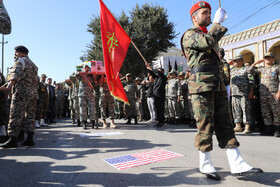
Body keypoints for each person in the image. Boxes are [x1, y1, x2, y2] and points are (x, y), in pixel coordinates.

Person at [181, 1, 263, 180]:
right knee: (205, 125)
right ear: (194, 17)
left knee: (225, 124)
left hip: (216, 86)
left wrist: (225, 85)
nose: (209, 15)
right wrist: (217, 23)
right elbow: (206, 42)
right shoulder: (190, 35)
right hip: (201, 87)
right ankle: (205, 164)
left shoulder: (210, 36)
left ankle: (237, 163)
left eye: (210, 13)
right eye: (204, 13)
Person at [0, 45, 38, 148]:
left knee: (15, 114)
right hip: (33, 94)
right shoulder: (34, 65)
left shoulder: (20, 60)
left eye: (16, 52)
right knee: (30, 116)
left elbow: (15, 75)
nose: (15, 54)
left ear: (23, 53)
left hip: (21, 93)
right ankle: (30, 139)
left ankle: (13, 140)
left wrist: (8, 87)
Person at [247, 52, 280, 137]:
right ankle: (268, 129)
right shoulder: (261, 69)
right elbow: (249, 71)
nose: (267, 59)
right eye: (266, 58)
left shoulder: (277, 68)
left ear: (273, 59)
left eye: (269, 58)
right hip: (263, 94)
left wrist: (279, 92)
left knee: (276, 112)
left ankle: (277, 129)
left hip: (274, 93)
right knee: (266, 112)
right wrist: (256, 63)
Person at [228, 55, 255, 133]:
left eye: (235, 61)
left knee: (246, 109)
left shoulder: (247, 69)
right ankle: (238, 126)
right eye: (233, 61)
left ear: (240, 61)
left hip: (244, 93)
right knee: (235, 109)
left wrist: (251, 91)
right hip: (234, 93)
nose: (234, 62)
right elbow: (229, 81)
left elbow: (251, 81)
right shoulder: (232, 70)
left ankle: (247, 126)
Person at [145, 63, 167, 128]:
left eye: (159, 71)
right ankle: (158, 121)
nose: (157, 72)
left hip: (160, 96)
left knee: (160, 109)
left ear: (162, 72)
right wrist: (148, 68)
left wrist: (151, 67)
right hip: (156, 96)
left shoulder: (163, 77)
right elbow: (152, 73)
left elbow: (157, 72)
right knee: (157, 109)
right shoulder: (157, 78)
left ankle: (161, 122)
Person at [76, 64, 97, 129]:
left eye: (87, 68)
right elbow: (75, 74)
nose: (86, 69)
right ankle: (84, 123)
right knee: (83, 110)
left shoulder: (91, 77)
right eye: (85, 68)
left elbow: (95, 84)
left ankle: (93, 123)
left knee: (92, 109)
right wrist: (81, 72)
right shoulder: (81, 75)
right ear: (83, 69)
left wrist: (94, 76)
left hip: (90, 95)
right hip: (82, 95)